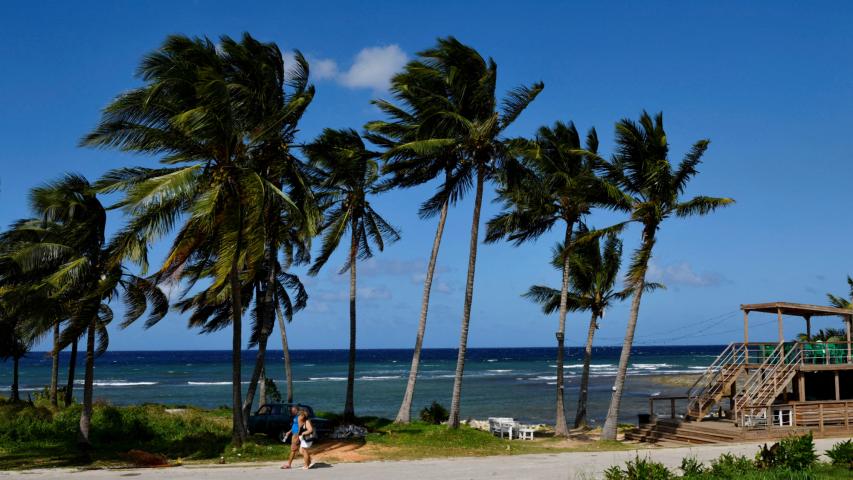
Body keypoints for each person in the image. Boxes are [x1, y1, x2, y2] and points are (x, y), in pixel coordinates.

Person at [280, 405, 301, 469]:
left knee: (293, 449)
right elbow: (294, 425)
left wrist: (298, 435)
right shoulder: (295, 417)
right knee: (301, 450)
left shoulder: (299, 417)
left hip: (296, 435)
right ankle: (308, 461)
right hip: (294, 434)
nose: (292, 411)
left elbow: (300, 427)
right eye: (291, 410)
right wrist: (289, 432)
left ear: (296, 410)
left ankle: (289, 464)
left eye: (293, 410)